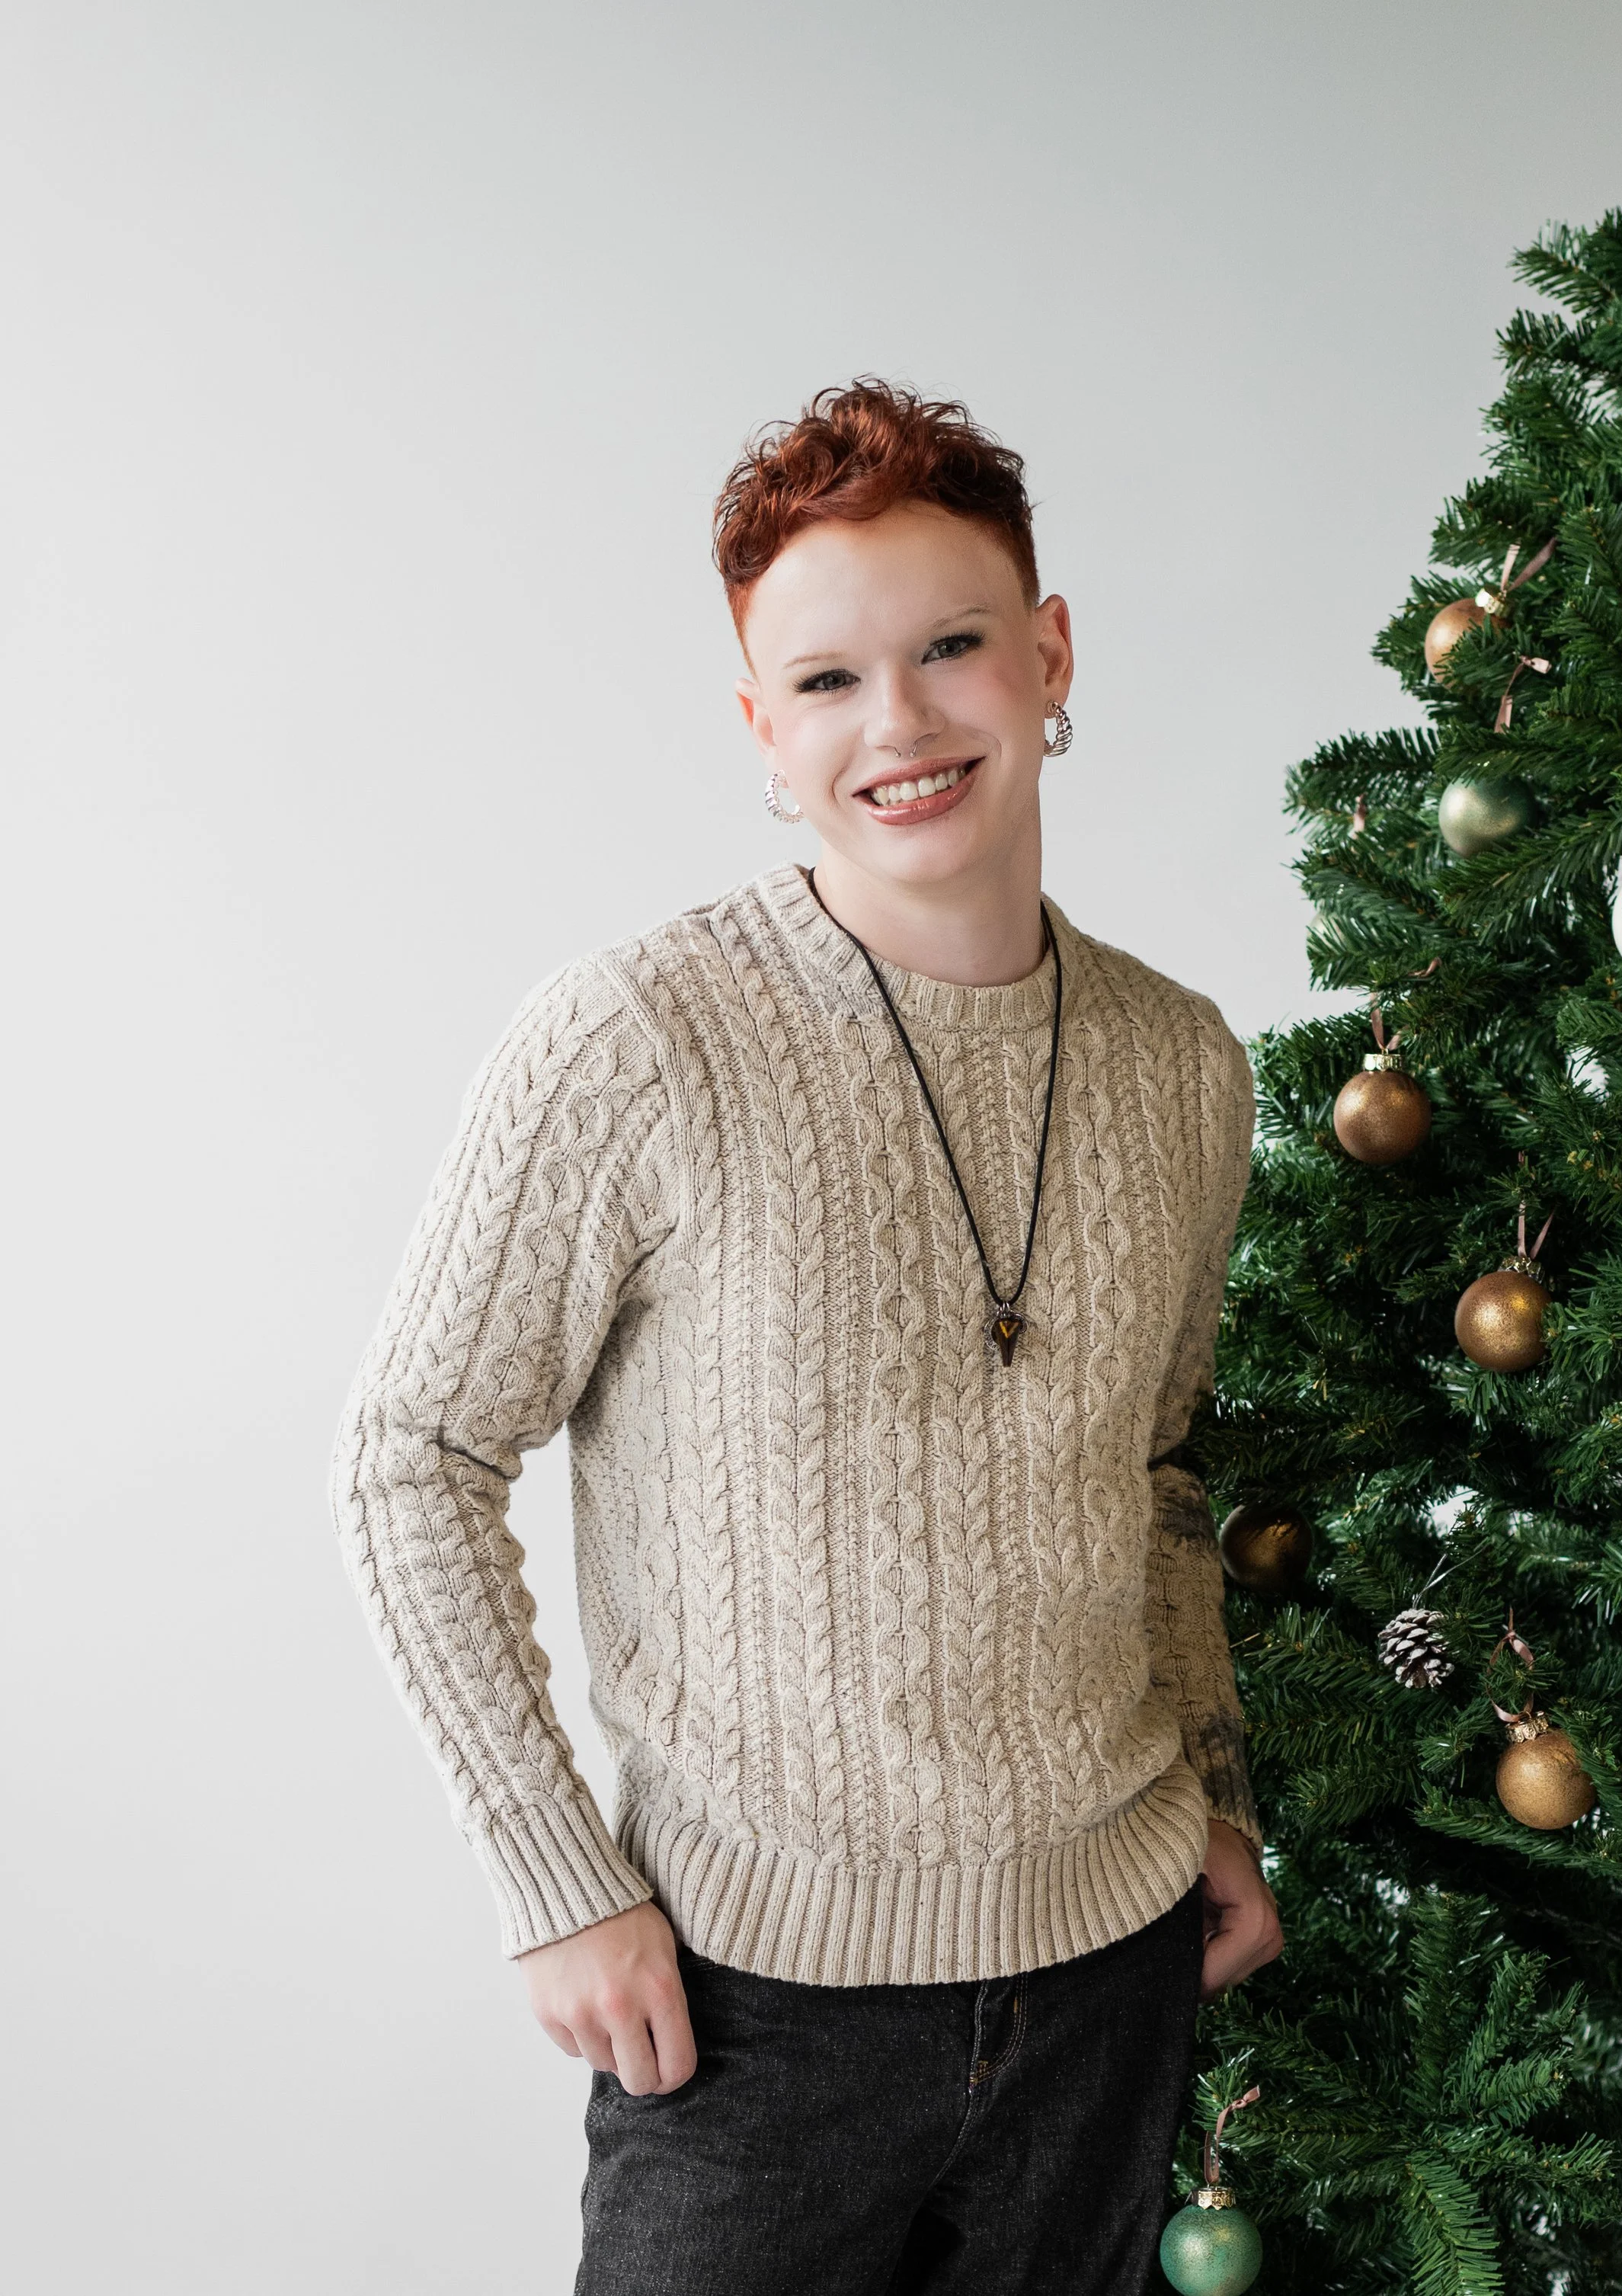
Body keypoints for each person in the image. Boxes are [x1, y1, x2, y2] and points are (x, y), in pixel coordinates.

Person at [331, 378, 1284, 2296]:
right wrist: (556, 1884)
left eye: (948, 649)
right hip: (750, 2015)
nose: (903, 724)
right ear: (763, 729)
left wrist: (1217, 1794)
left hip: (1109, 1982)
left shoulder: (1181, 1064)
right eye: (829, 681)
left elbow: (1155, 1470)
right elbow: (409, 1463)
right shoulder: (638, 1040)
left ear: (1047, 654)